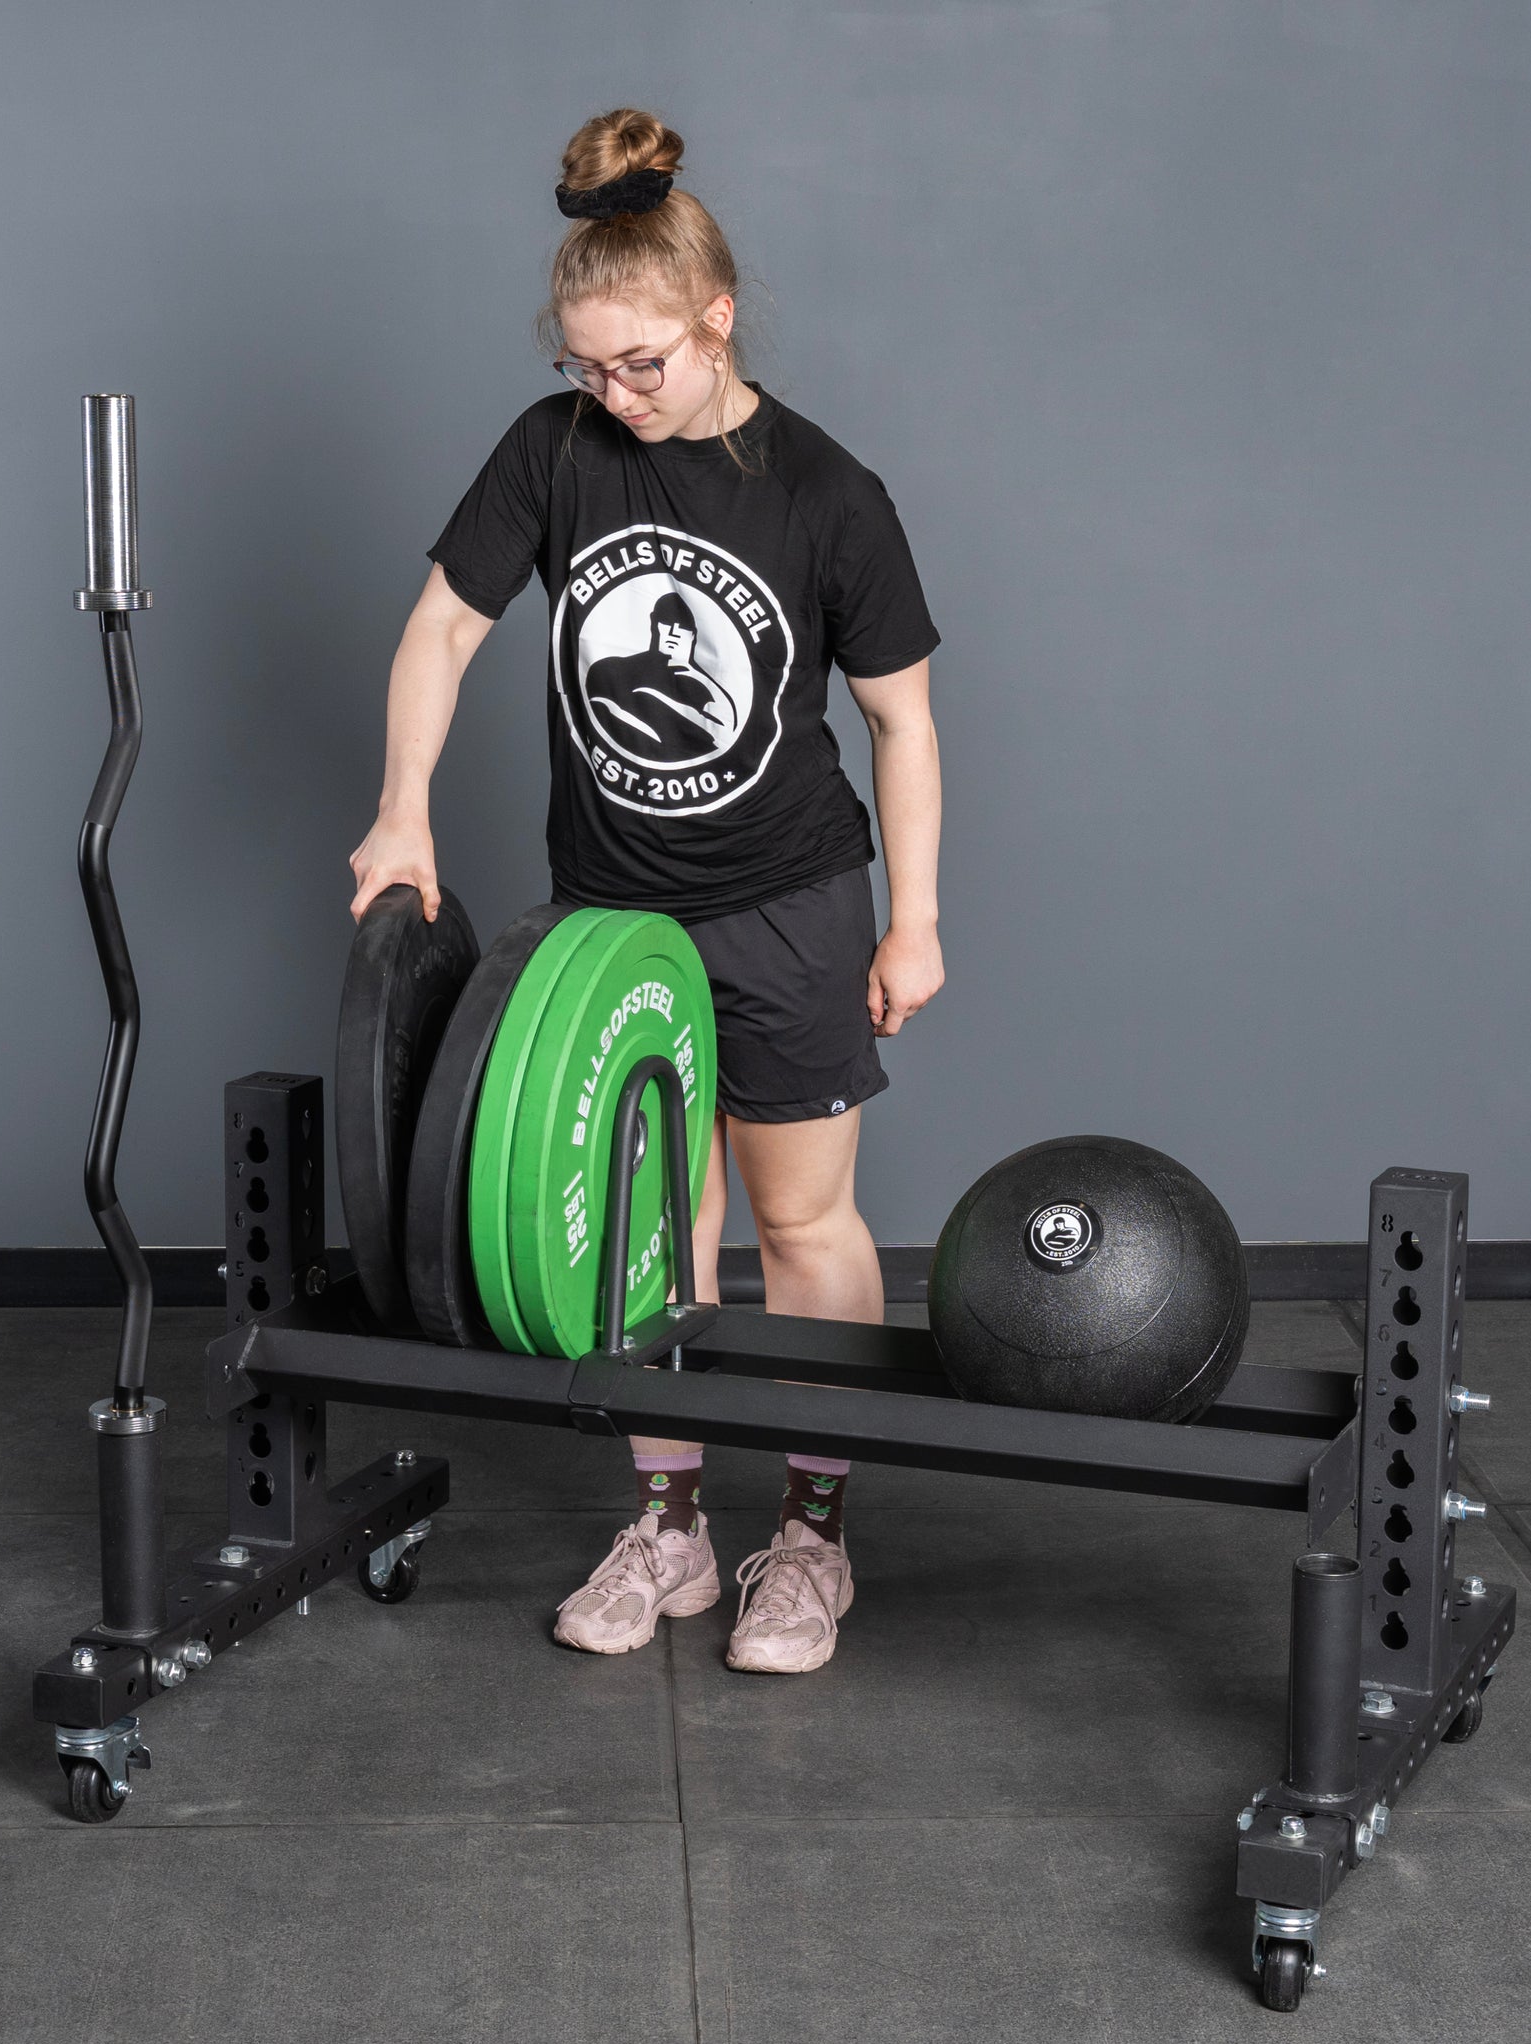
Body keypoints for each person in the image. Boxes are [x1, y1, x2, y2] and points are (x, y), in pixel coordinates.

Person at [348, 108, 943, 1676]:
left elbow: (901, 721)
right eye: (588, 367)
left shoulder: (826, 491)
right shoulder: (553, 453)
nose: (615, 393)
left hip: (793, 904)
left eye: (642, 364)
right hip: (612, 921)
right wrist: (404, 811)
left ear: (717, 318)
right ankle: (670, 1528)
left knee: (799, 1224)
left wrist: (917, 918)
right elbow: (442, 628)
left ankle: (811, 1538)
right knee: (650, 1232)